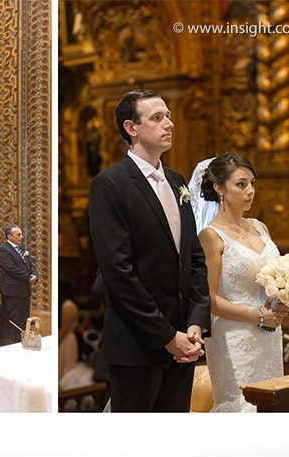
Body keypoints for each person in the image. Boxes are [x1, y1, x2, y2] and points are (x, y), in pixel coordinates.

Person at [88, 89, 210, 412]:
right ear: (132, 128)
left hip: (184, 343)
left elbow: (194, 259)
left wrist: (196, 324)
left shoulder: (177, 181)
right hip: (137, 348)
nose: (169, 123)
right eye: (157, 118)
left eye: (168, 116)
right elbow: (118, 273)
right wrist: (167, 336)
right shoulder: (111, 184)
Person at [191, 153, 289, 412]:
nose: (250, 191)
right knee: (241, 407)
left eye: (252, 183)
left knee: (269, 406)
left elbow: (274, 279)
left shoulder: (260, 227)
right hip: (234, 338)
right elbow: (209, 299)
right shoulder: (211, 236)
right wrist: (257, 315)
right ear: (219, 188)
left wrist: (284, 300)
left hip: (269, 334)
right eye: (241, 184)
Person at [0, 224, 38, 345]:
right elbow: (11, 268)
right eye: (18, 234)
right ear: (9, 236)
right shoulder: (4, 250)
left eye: (21, 234)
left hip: (24, 290)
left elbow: (30, 265)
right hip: (12, 290)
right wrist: (27, 277)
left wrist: (35, 275)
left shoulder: (22, 249)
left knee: (22, 317)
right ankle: (7, 341)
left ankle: (19, 339)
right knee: (11, 317)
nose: (22, 236)